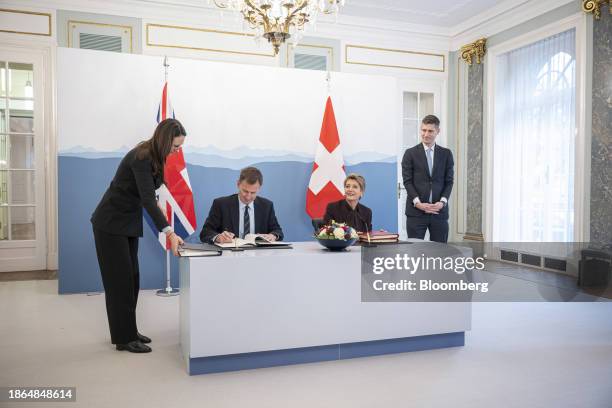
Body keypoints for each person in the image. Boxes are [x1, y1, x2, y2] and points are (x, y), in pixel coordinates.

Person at [91, 118, 186, 353]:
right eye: (175, 147)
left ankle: (130, 331)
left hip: (127, 223)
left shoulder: (154, 157)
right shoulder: (141, 157)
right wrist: (170, 233)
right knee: (119, 282)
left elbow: (148, 194)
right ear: (165, 141)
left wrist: (157, 206)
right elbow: (146, 199)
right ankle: (123, 338)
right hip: (110, 223)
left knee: (131, 279)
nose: (177, 151)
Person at [401, 114, 454, 243]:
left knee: (440, 254)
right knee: (415, 253)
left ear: (438, 131)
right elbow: (407, 182)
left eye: (430, 131)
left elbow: (449, 181)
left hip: (439, 213)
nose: (426, 134)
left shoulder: (446, 154)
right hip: (416, 212)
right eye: (423, 130)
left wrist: (442, 202)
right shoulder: (410, 153)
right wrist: (418, 203)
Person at [199, 166, 284, 244]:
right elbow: (205, 232)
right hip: (228, 256)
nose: (248, 197)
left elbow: (277, 231)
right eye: (245, 191)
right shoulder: (221, 204)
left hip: (258, 256)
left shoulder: (266, 206)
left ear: (259, 188)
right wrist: (218, 237)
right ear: (238, 184)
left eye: (253, 193)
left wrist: (273, 236)